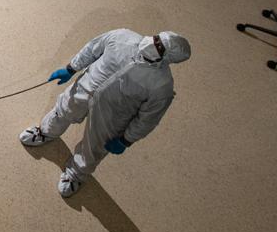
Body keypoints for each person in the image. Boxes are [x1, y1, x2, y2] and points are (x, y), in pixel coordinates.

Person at [18, 29, 191, 197]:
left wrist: (126, 140)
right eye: (156, 38)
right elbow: (92, 49)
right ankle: (45, 132)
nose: (153, 44)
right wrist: (71, 68)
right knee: (62, 111)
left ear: (168, 58)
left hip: (112, 115)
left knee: (94, 147)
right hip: (84, 89)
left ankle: (76, 174)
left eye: (160, 47)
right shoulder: (122, 37)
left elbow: (148, 119)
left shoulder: (161, 86)